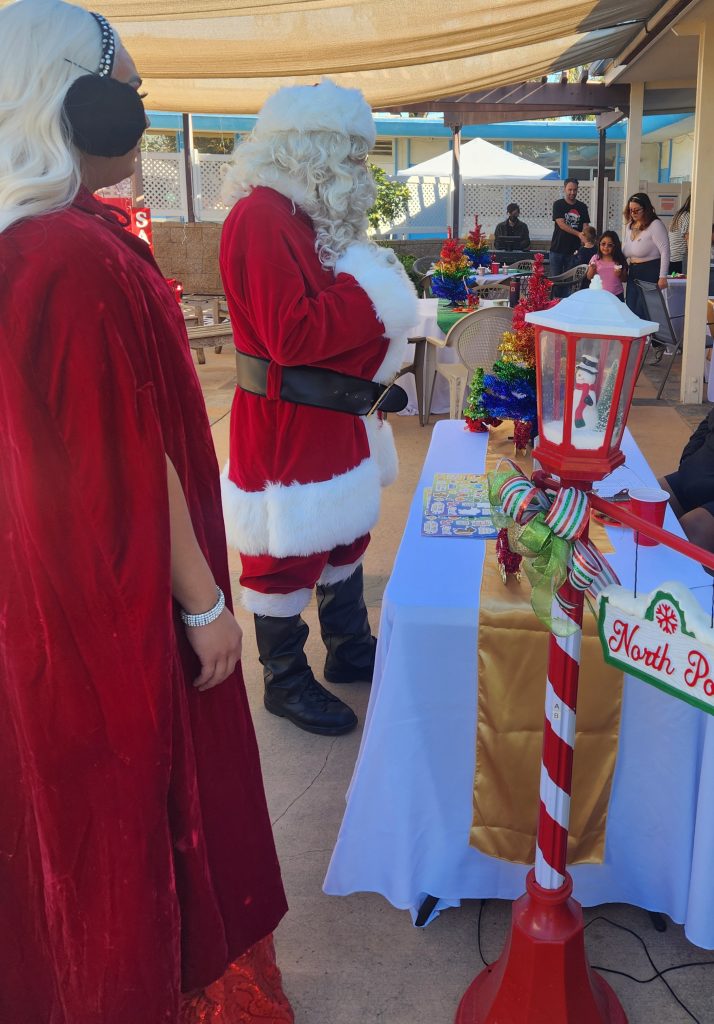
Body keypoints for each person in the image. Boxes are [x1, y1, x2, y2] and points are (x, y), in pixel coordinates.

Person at [0, 3, 291, 1023]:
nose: (142, 104)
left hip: (54, 596)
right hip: (110, 610)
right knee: (131, 822)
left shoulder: (35, 240)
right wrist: (206, 605)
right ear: (73, 103)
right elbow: (129, 455)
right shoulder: (63, 255)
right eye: (127, 88)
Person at [219, 80, 418, 738]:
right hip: (286, 423)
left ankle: (348, 647)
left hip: (332, 415)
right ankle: (284, 677)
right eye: (353, 155)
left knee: (344, 534)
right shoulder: (261, 216)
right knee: (286, 551)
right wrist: (374, 297)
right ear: (314, 151)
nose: (363, 170)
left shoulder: (303, 216)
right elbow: (291, 336)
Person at [660, 409, 714, 561]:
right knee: (648, 502)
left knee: (693, 528)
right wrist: (688, 458)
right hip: (701, 470)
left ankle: (690, 583)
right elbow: (708, 422)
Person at [622, 191, 670, 320]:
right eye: (631, 210)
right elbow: (626, 248)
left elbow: (665, 251)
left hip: (649, 270)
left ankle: (648, 338)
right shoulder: (629, 226)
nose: (633, 213)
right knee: (631, 307)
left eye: (637, 210)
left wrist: (662, 276)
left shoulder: (655, 225)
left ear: (646, 209)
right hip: (633, 270)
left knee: (644, 309)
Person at [548, 177, 590, 278]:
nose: (572, 192)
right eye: (570, 190)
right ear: (564, 189)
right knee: (555, 281)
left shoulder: (582, 206)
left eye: (575, 190)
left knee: (571, 281)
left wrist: (585, 238)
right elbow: (561, 224)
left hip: (574, 251)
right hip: (557, 249)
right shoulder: (558, 204)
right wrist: (578, 234)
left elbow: (585, 225)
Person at [585, 230, 627, 299]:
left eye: (610, 245)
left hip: (616, 295)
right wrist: (592, 270)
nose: (605, 247)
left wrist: (620, 275)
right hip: (598, 295)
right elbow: (589, 277)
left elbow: (624, 279)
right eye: (603, 244)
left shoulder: (619, 259)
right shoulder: (595, 258)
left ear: (615, 246)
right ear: (599, 244)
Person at [668, 194, 690, 274]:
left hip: (672, 256)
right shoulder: (687, 216)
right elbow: (687, 238)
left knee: (673, 283)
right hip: (679, 258)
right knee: (680, 284)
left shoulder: (678, 214)